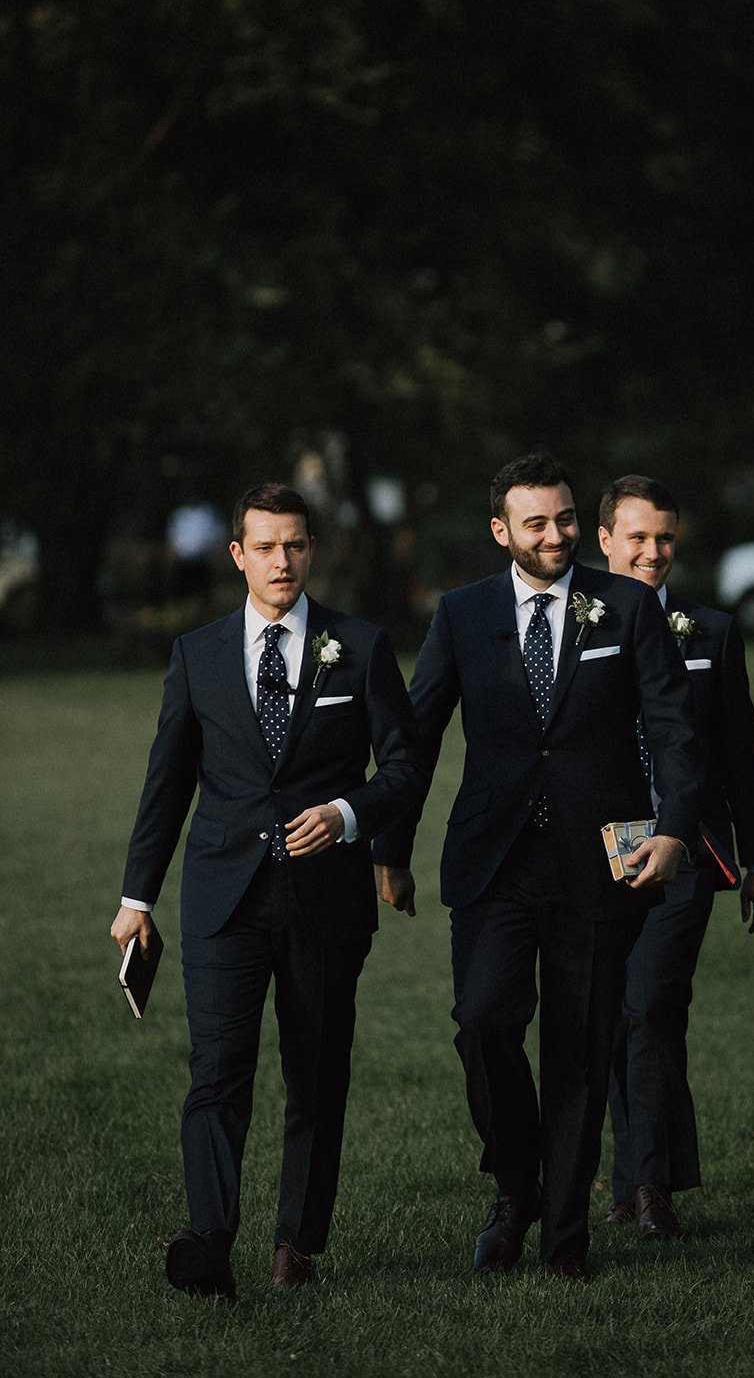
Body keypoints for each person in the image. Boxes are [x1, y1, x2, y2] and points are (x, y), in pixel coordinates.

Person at [372, 453, 703, 1278]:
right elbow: (415, 740)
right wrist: (391, 847)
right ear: (500, 532)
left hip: (604, 865)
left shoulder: (625, 606)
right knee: (483, 1021)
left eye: (562, 519)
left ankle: (564, 1239)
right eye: (535, 523)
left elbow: (673, 730)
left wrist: (673, 830)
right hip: (493, 861)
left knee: (580, 1050)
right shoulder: (460, 613)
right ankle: (515, 1186)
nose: (554, 535)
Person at [110, 483, 426, 1299]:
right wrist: (136, 896)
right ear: (237, 556)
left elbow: (404, 767)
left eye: (295, 545)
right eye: (266, 546)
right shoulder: (197, 654)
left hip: (326, 900)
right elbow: (167, 783)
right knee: (217, 1069)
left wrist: (348, 814)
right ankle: (210, 1239)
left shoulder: (358, 646)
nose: (281, 561)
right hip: (223, 898)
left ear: (311, 550)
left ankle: (295, 1246)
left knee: (315, 1073)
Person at [596, 475, 754, 1239]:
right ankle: (639, 1176)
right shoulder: (572, 629)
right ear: (602, 539)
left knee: (645, 1002)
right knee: (621, 1015)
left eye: (664, 537)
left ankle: (646, 1190)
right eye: (636, 536)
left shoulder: (709, 631)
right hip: (591, 856)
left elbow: (741, 753)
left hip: (686, 851)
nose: (651, 551)